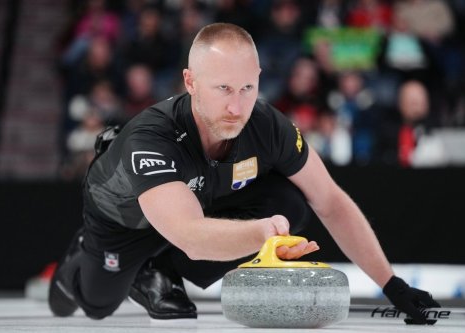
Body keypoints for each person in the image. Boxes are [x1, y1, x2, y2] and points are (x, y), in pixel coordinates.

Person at [49, 22, 439, 325]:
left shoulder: (267, 124)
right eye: (223, 88)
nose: (237, 107)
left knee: (291, 202)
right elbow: (191, 236)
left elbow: (331, 201)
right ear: (190, 82)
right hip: (124, 222)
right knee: (97, 304)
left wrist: (391, 284)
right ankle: (76, 268)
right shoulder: (151, 137)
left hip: (195, 205)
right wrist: (265, 233)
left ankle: (160, 268)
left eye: (247, 87)